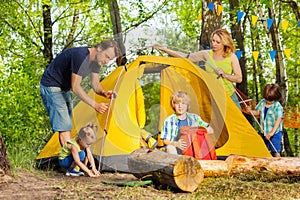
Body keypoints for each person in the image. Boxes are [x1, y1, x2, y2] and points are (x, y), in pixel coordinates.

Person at [40, 40, 121, 146]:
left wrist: (104, 93)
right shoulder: (80, 57)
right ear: (100, 48)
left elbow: (95, 83)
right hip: (51, 86)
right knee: (64, 127)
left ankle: (72, 157)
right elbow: (75, 87)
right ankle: (71, 160)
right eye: (106, 56)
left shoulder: (97, 62)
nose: (107, 61)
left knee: (67, 125)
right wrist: (95, 105)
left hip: (64, 89)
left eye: (109, 59)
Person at [153, 28, 242, 109]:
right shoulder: (206, 54)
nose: (214, 44)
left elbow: (239, 78)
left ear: (224, 43)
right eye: (213, 41)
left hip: (229, 95)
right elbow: (186, 57)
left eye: (217, 42)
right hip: (214, 97)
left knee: (238, 124)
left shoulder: (231, 57)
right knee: (218, 125)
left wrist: (224, 75)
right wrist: (164, 49)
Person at [247, 84, 283, 157]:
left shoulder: (277, 106)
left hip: (275, 133)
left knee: (275, 151)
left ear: (276, 98)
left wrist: (271, 133)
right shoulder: (262, 102)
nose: (269, 102)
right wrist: (250, 111)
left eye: (271, 100)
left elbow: (278, 120)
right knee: (264, 150)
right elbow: (257, 112)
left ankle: (279, 164)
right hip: (264, 131)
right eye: (267, 100)